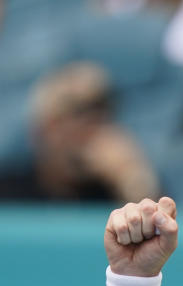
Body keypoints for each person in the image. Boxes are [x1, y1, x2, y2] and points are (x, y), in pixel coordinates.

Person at [0, 61, 159, 204]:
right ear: (44, 128)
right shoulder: (9, 191)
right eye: (76, 113)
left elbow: (154, 227)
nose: (87, 130)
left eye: (98, 116)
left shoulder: (110, 190)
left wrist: (132, 177)